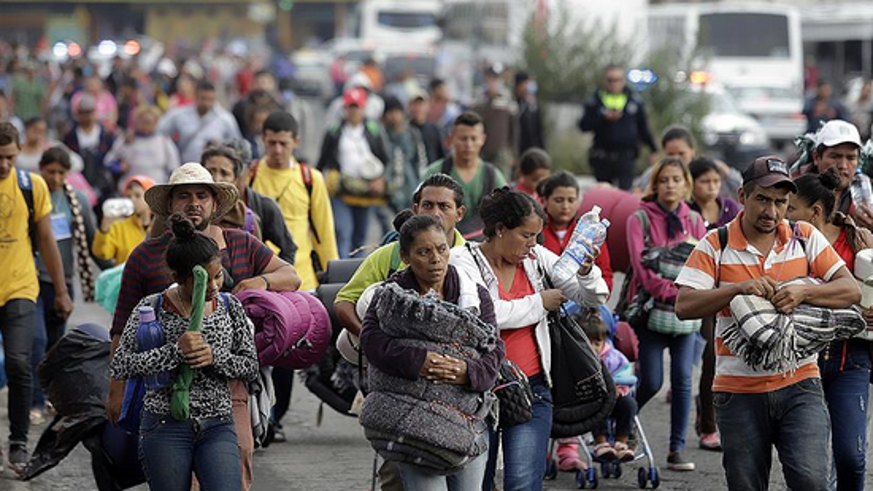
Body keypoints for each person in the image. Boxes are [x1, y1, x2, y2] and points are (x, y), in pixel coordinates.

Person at [106, 163, 301, 490]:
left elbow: (290, 278)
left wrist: (254, 284)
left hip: (225, 405)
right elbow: (121, 333)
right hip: (165, 413)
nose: (194, 203)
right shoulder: (146, 259)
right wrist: (118, 391)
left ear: (214, 204)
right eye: (184, 196)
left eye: (202, 195)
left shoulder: (239, 248)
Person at [675, 156, 861, 491]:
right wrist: (737, 289)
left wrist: (803, 292)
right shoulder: (715, 244)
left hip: (800, 383)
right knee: (747, 486)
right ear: (743, 196)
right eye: (762, 199)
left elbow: (848, 290)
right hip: (737, 391)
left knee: (812, 481)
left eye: (780, 203)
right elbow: (684, 305)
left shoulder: (804, 236)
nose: (771, 211)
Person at [450, 188, 608, 491]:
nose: (532, 244)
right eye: (526, 235)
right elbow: (483, 317)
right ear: (500, 230)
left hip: (533, 389)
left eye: (537, 236)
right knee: (475, 484)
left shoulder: (537, 260)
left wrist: (586, 271)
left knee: (522, 483)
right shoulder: (462, 261)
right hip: (477, 392)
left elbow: (591, 297)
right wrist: (540, 303)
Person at [109, 213, 258, 491]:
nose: (214, 287)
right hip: (164, 426)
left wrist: (215, 358)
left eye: (218, 276)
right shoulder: (151, 308)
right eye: (204, 280)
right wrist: (175, 352)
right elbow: (121, 364)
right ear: (176, 277)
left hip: (218, 423)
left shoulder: (230, 306)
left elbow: (250, 366)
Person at [360, 214, 504, 490]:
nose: (436, 259)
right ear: (405, 256)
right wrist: (420, 361)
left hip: (467, 422)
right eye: (423, 252)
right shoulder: (390, 297)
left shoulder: (473, 294)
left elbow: (493, 349)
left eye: (441, 249)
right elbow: (373, 343)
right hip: (413, 427)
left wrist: (467, 372)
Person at [787, 167, 873, 491]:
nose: (783, 214)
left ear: (816, 211)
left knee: (851, 457)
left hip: (851, 359)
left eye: (791, 207)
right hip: (801, 361)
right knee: (811, 467)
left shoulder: (859, 239)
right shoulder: (786, 245)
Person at [0, 122, 73, 472]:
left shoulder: (33, 186)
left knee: (18, 361)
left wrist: (61, 291)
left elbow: (47, 241)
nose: (3, 164)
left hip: (20, 287)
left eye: (10, 157)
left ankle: (17, 443)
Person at [626, 157, 707, 471]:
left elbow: (703, 265)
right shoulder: (640, 219)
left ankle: (676, 449)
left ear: (686, 184)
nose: (670, 185)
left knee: (684, 380)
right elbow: (642, 269)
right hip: (650, 312)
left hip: (686, 314)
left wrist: (690, 297)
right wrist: (675, 294)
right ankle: (623, 420)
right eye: (664, 179)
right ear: (655, 184)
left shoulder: (696, 220)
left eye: (676, 179)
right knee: (651, 381)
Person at [29, 146, 98, 424]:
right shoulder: (31, 195)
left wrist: (118, 268)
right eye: (50, 171)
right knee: (36, 340)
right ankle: (34, 401)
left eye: (61, 172)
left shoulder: (76, 200)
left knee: (56, 345)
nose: (55, 178)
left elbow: (92, 242)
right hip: (33, 278)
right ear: (40, 169)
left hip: (63, 280)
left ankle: (52, 400)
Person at [686, 156, 741, 452]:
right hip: (695, 292)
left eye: (715, 182)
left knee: (719, 359)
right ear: (691, 184)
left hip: (725, 291)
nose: (711, 187)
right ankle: (705, 423)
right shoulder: (686, 212)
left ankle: (713, 420)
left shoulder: (730, 209)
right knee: (700, 361)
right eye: (704, 181)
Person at [250, 111, 338, 290]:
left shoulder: (311, 179)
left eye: (283, 143)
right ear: (263, 139)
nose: (277, 150)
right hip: (260, 280)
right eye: (272, 143)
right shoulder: (250, 175)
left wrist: (334, 278)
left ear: (296, 142)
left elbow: (324, 233)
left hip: (302, 280)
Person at [318, 87, 390, 258]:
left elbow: (385, 158)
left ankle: (358, 273)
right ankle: (342, 272)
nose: (354, 111)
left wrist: (380, 179)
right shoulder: (335, 131)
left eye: (357, 107)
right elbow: (323, 160)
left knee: (361, 236)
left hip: (366, 189)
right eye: (350, 107)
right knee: (342, 231)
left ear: (363, 108)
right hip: (341, 188)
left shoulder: (373, 130)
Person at [202, 142, 297, 264]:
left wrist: (270, 279)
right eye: (211, 171)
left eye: (225, 173)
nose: (217, 179)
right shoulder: (195, 213)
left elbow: (287, 250)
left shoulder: (253, 216)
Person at [422, 112, 508, 240]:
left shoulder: (493, 176)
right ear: (451, 139)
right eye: (463, 138)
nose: (468, 145)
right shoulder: (434, 172)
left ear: (483, 139)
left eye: (473, 138)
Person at [579, 65, 657, 190]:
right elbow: (583, 126)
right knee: (603, 196)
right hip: (602, 156)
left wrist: (653, 149)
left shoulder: (635, 101)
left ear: (623, 81)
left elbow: (643, 128)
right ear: (604, 81)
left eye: (617, 80)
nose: (614, 84)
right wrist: (602, 117)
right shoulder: (594, 101)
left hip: (626, 156)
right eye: (610, 80)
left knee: (625, 194)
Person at [578, 307, 638, 462]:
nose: (593, 348)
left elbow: (625, 373)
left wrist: (620, 388)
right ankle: (601, 441)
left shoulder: (614, 357)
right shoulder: (578, 360)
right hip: (592, 400)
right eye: (587, 343)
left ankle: (622, 441)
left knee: (629, 404)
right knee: (598, 403)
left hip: (616, 396)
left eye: (597, 343)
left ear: (604, 341)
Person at [538, 171, 614, 292]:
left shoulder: (590, 233)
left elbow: (605, 276)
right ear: (544, 201)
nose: (565, 206)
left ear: (579, 202)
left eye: (571, 200)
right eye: (558, 200)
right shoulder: (536, 232)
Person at [793, 120, 868, 228]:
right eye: (835, 157)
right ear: (816, 157)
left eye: (851, 158)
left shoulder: (866, 194)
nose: (843, 165)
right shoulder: (795, 191)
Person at [636, 126, 742, 201]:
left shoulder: (707, 171)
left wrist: (725, 171)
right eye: (671, 154)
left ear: (693, 151)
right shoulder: (655, 173)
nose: (676, 159)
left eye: (681, 154)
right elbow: (637, 193)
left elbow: (741, 192)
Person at [158, 81, 241, 163]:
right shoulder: (180, 114)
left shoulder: (225, 118)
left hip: (213, 169)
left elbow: (237, 144)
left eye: (210, 99)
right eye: (203, 99)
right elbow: (160, 130)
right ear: (196, 96)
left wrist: (221, 146)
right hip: (186, 166)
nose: (206, 103)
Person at [104, 105, 180, 184]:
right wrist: (119, 167)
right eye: (142, 121)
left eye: (148, 122)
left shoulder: (164, 141)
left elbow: (174, 168)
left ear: (155, 122)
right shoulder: (126, 139)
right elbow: (108, 161)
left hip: (157, 187)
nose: (145, 126)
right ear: (136, 121)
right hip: (131, 188)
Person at [63, 94, 117, 199]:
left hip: (101, 183)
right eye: (83, 113)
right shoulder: (70, 135)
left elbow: (112, 157)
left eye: (90, 112)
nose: (87, 116)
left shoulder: (105, 134)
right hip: (78, 182)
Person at [92, 175, 155, 265]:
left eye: (137, 195)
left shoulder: (160, 226)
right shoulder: (118, 226)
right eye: (129, 196)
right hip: (126, 278)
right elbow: (102, 253)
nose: (132, 200)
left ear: (150, 198)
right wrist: (104, 228)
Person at [382, 96, 429, 213]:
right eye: (390, 112)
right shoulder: (381, 134)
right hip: (387, 190)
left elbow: (421, 161)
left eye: (396, 112)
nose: (394, 116)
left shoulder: (412, 133)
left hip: (410, 186)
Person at [474, 64, 517, 175]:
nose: (493, 81)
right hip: (481, 149)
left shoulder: (507, 97)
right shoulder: (479, 97)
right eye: (490, 78)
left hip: (501, 150)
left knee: (501, 184)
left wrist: (513, 152)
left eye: (496, 78)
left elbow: (514, 127)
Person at [408, 90, 446, 165]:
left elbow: (441, 154)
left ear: (428, 106)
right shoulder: (405, 130)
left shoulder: (434, 129)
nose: (418, 108)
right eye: (415, 104)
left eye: (421, 104)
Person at [514, 71, 546, 156]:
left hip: (532, 149)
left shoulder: (532, 104)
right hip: (517, 150)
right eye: (526, 83)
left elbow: (539, 129)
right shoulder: (512, 103)